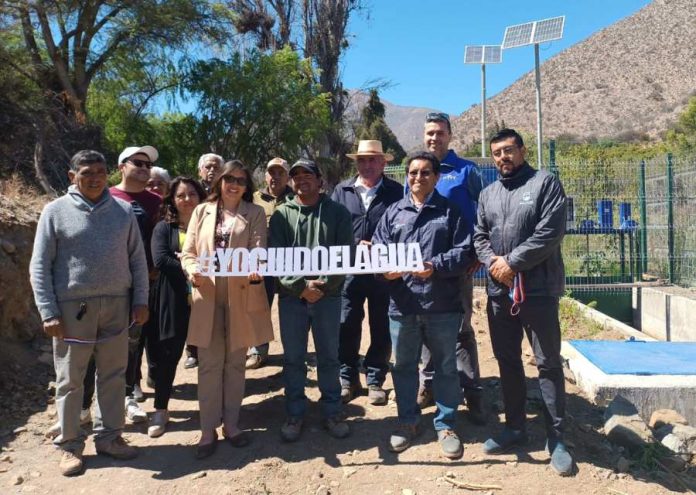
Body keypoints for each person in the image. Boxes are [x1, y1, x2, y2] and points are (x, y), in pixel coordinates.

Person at [29, 150, 148, 476]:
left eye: (100, 171)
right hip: (71, 311)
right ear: (72, 177)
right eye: (86, 172)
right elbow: (39, 265)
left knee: (112, 375)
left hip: (117, 305)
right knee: (70, 380)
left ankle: (110, 438)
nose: (95, 177)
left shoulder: (123, 211)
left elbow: (137, 259)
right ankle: (69, 446)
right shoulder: (54, 212)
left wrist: (140, 300)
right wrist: (48, 310)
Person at [474, 129, 573, 476]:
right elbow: (479, 236)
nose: (503, 157)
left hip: (539, 290)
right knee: (507, 361)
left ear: (522, 150)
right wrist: (492, 263)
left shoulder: (545, 184)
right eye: (497, 152)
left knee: (547, 363)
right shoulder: (488, 193)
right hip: (500, 294)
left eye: (509, 150)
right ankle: (515, 428)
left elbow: (550, 232)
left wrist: (512, 261)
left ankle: (556, 438)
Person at [373, 151, 475, 459]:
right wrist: (384, 269)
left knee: (444, 367)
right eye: (413, 172)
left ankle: (446, 424)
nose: (419, 177)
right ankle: (407, 421)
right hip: (403, 304)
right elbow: (379, 248)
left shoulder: (450, 212)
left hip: (441, 304)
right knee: (403, 366)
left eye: (426, 173)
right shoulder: (393, 212)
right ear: (407, 176)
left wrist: (435, 265)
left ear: (436, 177)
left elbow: (464, 252)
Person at [181, 160, 273, 459]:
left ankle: (231, 425)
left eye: (241, 180)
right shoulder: (201, 211)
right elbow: (189, 252)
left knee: (235, 364)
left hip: (241, 294)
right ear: (219, 181)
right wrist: (192, 269)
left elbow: (259, 250)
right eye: (229, 178)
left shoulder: (255, 213)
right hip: (207, 294)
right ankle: (207, 429)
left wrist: (256, 267)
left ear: (248, 186)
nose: (234, 184)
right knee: (208, 365)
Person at [269, 159, 353, 443]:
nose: (302, 180)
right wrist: (300, 286)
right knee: (293, 359)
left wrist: (324, 285)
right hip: (292, 299)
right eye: (296, 176)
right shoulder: (281, 215)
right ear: (291, 183)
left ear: (320, 180)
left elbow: (346, 255)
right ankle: (295, 413)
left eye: (308, 175)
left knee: (329, 357)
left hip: (328, 298)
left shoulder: (338, 213)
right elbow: (275, 260)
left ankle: (332, 411)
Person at [416, 112, 486, 425]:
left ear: (450, 136)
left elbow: (485, 213)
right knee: (424, 327)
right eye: (430, 133)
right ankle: (428, 385)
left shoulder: (466, 171)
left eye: (440, 133)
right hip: (422, 268)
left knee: (461, 329)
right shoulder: (418, 171)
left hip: (459, 266)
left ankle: (472, 389)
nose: (435, 138)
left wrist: (479, 253)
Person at [331, 140, 402, 405]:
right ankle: (347, 378)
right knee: (346, 323)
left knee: (381, 325)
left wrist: (381, 247)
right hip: (349, 272)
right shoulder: (342, 190)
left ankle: (375, 379)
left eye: (373, 160)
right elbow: (332, 230)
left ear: (384, 163)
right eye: (362, 160)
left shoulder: (396, 192)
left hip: (383, 273)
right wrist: (353, 246)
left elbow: (403, 228)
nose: (367, 165)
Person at [147, 177, 206, 437]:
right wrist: (189, 265)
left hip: (206, 299)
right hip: (173, 299)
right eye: (180, 195)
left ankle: (211, 408)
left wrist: (188, 260)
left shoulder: (211, 225)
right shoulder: (163, 227)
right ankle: (160, 410)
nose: (186, 199)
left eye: (192, 194)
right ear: (172, 199)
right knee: (168, 355)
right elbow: (160, 259)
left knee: (208, 356)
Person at [110, 145, 162, 422]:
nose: (143, 168)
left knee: (134, 341)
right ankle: (89, 403)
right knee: (103, 346)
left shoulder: (156, 201)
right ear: (122, 166)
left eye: (147, 165)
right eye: (137, 163)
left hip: (147, 284)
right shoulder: (105, 197)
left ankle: (128, 395)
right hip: (111, 285)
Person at [248, 157, 293, 369]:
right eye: (271, 172)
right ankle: (258, 350)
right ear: (266, 175)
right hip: (261, 263)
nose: (275, 177)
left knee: (291, 308)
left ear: (287, 176)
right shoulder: (253, 198)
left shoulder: (296, 198)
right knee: (260, 307)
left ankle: (294, 352)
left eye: (280, 173)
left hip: (289, 263)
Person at [184, 153, 223, 370]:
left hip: (220, 257)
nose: (212, 170)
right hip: (194, 253)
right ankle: (193, 350)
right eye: (208, 166)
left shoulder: (227, 191)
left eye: (217, 167)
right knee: (194, 305)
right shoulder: (193, 191)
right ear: (200, 170)